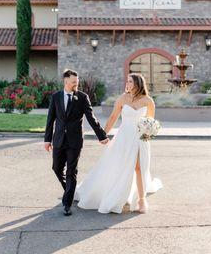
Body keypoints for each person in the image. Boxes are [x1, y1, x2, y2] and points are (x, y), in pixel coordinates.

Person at [74, 73, 163, 214]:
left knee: (139, 168)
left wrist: (148, 134)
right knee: (119, 166)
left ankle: (141, 199)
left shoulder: (148, 101)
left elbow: (150, 122)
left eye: (130, 81)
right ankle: (114, 194)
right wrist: (102, 135)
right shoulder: (123, 98)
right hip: (124, 137)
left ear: (138, 84)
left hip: (140, 138)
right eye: (127, 81)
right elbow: (113, 117)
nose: (127, 83)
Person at [44, 69, 109, 216]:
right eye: (73, 82)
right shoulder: (56, 97)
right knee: (56, 168)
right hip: (59, 139)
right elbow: (50, 119)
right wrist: (47, 139)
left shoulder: (82, 97)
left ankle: (67, 203)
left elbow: (91, 118)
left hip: (75, 141)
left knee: (72, 171)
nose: (76, 84)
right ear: (66, 82)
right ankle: (70, 190)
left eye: (77, 82)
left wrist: (101, 135)